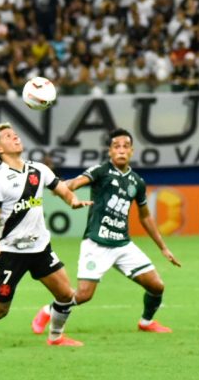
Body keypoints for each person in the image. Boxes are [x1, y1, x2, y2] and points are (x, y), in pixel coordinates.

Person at [0, 123, 92, 346]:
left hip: (40, 248)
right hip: (10, 252)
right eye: (8, 136)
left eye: (15, 134)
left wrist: (73, 201)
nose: (15, 137)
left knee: (66, 295)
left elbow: (62, 189)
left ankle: (56, 337)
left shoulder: (39, 169)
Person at [31, 128, 180, 335]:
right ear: (109, 151)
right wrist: (62, 188)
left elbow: (145, 216)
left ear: (132, 151)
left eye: (126, 146)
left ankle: (146, 322)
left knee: (157, 286)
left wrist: (163, 248)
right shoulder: (100, 171)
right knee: (83, 295)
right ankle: (48, 310)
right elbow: (75, 182)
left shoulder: (137, 182)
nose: (121, 150)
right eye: (116, 146)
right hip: (97, 243)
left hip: (123, 244)